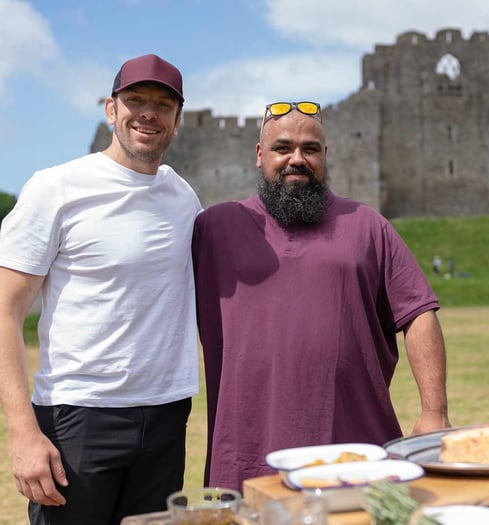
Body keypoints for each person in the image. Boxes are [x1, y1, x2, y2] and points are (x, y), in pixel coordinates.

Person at [192, 101, 451, 492]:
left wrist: (434, 411)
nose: (297, 159)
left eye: (310, 149)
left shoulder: (367, 225)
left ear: (325, 156)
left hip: (357, 451)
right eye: (282, 148)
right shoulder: (213, 228)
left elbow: (418, 313)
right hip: (247, 454)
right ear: (260, 156)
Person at [0, 54, 202, 524]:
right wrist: (22, 433)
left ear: (177, 119)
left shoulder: (182, 196)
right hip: (81, 416)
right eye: (135, 100)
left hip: (168, 412)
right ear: (111, 109)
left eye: (163, 104)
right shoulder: (57, 188)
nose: (148, 113)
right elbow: (5, 311)